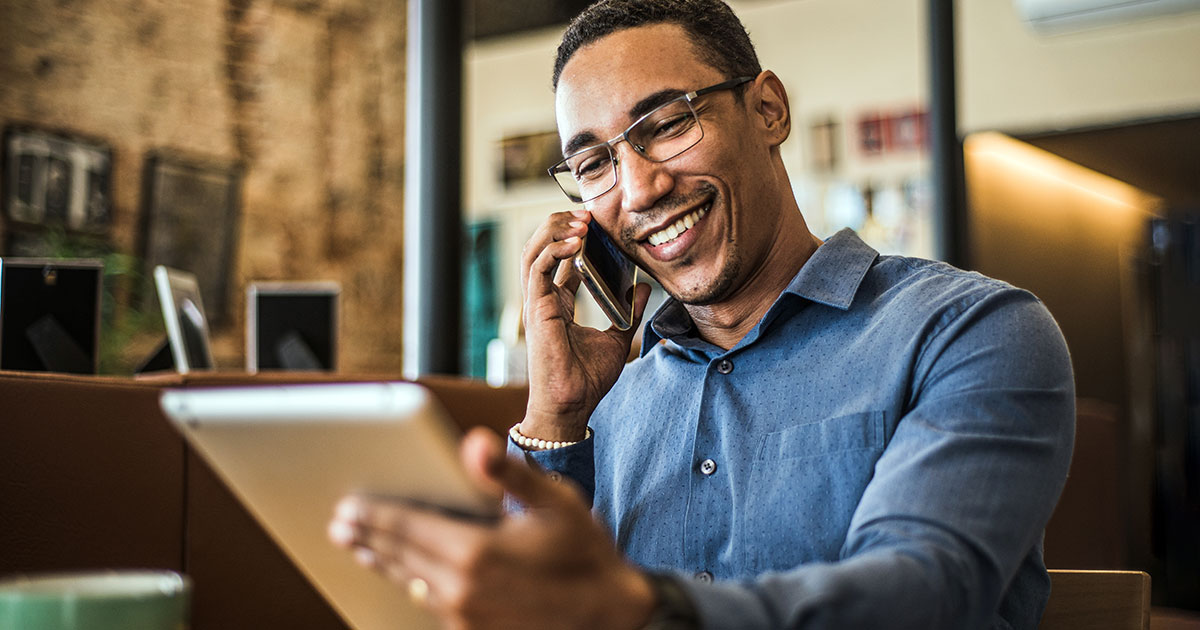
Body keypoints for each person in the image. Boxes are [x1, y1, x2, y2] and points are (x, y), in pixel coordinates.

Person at [327, 1, 1075, 628]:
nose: (640, 188)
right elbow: (526, 609)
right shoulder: (606, 400)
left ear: (769, 111)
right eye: (594, 165)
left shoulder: (972, 333)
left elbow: (924, 594)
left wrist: (637, 605)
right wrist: (555, 415)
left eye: (666, 124)